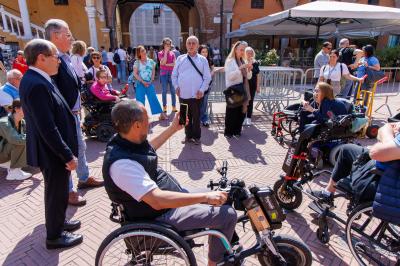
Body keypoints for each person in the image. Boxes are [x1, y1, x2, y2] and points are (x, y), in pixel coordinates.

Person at [103, 99, 237, 266]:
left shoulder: (125, 141)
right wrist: (206, 197)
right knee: (227, 215)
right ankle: (214, 263)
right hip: (160, 215)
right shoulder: (122, 165)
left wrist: (173, 128)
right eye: (147, 119)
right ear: (137, 125)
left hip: (165, 205)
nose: (150, 122)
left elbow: (147, 151)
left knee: (224, 195)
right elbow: (157, 201)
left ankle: (219, 246)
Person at [20, 38, 82, 249]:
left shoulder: (40, 78)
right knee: (55, 193)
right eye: (55, 57)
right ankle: (55, 236)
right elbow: (47, 127)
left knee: (59, 191)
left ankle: (59, 223)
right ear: (41, 58)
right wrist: (67, 155)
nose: (59, 62)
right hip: (52, 153)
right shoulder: (36, 84)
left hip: (52, 151)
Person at [45, 19, 103, 208]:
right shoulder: (52, 59)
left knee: (80, 147)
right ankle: (69, 190)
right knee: (67, 152)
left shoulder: (65, 57)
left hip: (73, 113)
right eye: (68, 34)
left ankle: (84, 177)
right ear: (55, 36)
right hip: (63, 116)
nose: (71, 38)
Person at [311, 122, 400, 205]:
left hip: (384, 173)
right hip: (388, 163)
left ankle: (328, 194)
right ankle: (330, 191)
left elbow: (376, 153)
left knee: (346, 151)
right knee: (348, 149)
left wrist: (386, 132)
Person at [172, 36, 211, 145]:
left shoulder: (203, 60)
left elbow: (207, 78)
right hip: (183, 94)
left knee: (196, 117)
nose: (191, 45)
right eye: (189, 43)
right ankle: (188, 136)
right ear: (186, 45)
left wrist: (202, 90)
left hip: (196, 95)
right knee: (184, 117)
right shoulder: (180, 59)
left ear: (197, 46)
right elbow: (174, 75)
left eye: (193, 43)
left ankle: (197, 137)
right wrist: (176, 87)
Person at [223, 41, 252, 138]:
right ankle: (228, 132)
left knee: (242, 110)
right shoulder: (230, 61)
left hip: (243, 89)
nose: (243, 51)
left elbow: (248, 77)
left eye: (244, 50)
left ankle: (237, 131)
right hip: (233, 90)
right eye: (241, 49)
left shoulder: (243, 60)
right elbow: (230, 77)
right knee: (231, 111)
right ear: (235, 49)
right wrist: (240, 68)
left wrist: (249, 69)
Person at [0, 99, 31, 181]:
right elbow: (15, 139)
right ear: (16, 109)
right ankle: (13, 172)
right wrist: (33, 137)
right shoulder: (4, 122)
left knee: (25, 140)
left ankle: (15, 169)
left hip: (4, 151)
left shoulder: (22, 122)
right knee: (18, 142)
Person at [133, 45, 166, 120]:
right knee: (140, 100)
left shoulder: (151, 61)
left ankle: (161, 115)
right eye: (142, 51)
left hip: (149, 83)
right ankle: (142, 116)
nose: (144, 52)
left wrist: (151, 81)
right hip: (140, 84)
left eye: (144, 50)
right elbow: (135, 74)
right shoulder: (137, 62)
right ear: (139, 53)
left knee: (153, 98)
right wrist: (142, 81)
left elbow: (153, 72)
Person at [158, 38, 177, 113]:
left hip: (171, 74)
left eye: (169, 44)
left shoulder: (173, 53)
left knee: (173, 91)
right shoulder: (160, 53)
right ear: (163, 44)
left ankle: (173, 106)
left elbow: (174, 64)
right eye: (166, 44)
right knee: (164, 91)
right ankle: (164, 107)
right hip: (163, 74)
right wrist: (165, 52)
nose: (168, 45)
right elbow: (162, 62)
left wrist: (166, 64)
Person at [198, 44, 215, 127]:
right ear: (199, 52)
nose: (205, 53)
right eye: (203, 52)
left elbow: (213, 69)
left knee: (204, 102)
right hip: (197, 84)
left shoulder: (210, 60)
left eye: (206, 52)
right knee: (198, 102)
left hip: (207, 85)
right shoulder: (197, 60)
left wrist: (210, 74)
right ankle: (198, 118)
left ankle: (204, 119)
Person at [244, 46, 260, 126]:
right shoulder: (243, 62)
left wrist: (258, 86)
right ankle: (243, 118)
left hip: (252, 85)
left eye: (251, 53)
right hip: (244, 84)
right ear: (245, 53)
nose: (249, 54)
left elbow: (257, 75)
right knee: (244, 101)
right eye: (248, 53)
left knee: (250, 101)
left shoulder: (255, 62)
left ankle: (249, 118)